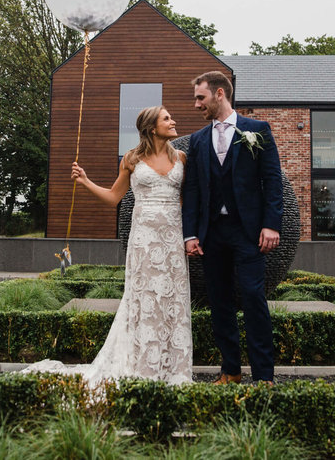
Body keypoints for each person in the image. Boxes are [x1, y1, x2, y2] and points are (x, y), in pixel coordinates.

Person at [24, 106, 192, 386]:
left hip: (173, 238)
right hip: (143, 241)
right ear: (152, 127)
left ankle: (173, 370)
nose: (173, 121)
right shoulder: (131, 159)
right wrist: (86, 181)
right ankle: (143, 368)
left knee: (172, 300)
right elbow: (115, 197)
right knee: (144, 300)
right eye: (166, 118)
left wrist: (190, 236)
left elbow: (187, 202)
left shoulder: (182, 158)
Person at [182, 71, 283, 385]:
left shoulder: (258, 130)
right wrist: (190, 233)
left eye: (201, 97)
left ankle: (264, 375)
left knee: (253, 298)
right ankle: (231, 370)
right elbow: (194, 190)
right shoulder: (198, 140)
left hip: (249, 232)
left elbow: (272, 181)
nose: (196, 104)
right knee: (219, 302)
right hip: (212, 234)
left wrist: (270, 225)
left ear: (220, 94)